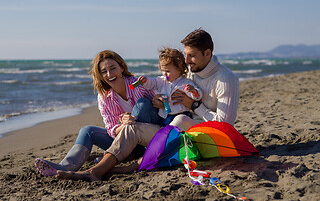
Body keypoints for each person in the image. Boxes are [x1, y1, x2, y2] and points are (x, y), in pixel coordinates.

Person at [56, 28, 239, 181]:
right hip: (175, 130)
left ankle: (133, 165)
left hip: (201, 133)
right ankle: (95, 171)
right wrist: (159, 101)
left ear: (207, 53)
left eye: (191, 56)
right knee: (131, 129)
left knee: (179, 118)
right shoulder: (191, 72)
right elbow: (163, 86)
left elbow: (225, 125)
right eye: (185, 55)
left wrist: (194, 105)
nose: (186, 61)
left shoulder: (225, 79)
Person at [35, 50, 158, 176]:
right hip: (126, 142)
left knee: (143, 104)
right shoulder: (104, 97)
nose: (109, 74)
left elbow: (161, 101)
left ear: (121, 67)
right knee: (88, 131)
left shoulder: (139, 84)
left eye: (113, 68)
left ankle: (123, 156)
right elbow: (110, 129)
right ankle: (66, 166)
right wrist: (124, 124)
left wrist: (157, 102)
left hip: (148, 139)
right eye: (104, 71)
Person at [137, 47, 202, 127]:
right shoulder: (162, 80)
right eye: (163, 71)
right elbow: (153, 83)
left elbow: (197, 96)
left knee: (176, 131)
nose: (164, 74)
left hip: (181, 114)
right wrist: (146, 81)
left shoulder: (185, 82)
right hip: (165, 115)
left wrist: (194, 91)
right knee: (165, 130)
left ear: (179, 69)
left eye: (167, 71)